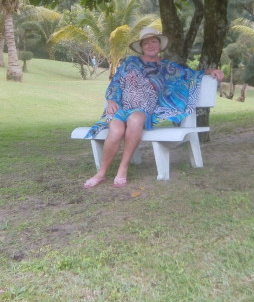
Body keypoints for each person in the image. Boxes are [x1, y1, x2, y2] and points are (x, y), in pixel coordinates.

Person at [83, 27, 224, 188]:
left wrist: (211, 71)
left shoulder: (168, 67)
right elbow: (115, 82)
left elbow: (190, 74)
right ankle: (101, 173)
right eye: (146, 43)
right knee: (116, 131)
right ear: (141, 47)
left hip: (143, 108)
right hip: (120, 107)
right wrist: (111, 100)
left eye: (154, 41)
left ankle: (123, 168)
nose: (150, 45)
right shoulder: (130, 62)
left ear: (159, 45)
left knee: (135, 120)